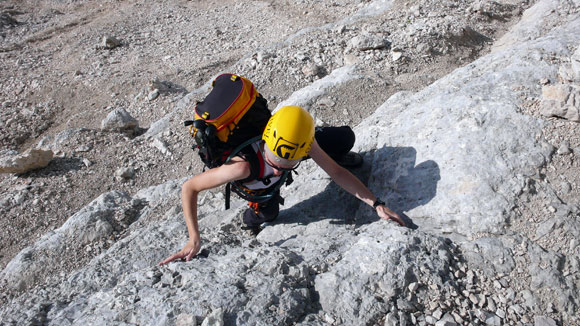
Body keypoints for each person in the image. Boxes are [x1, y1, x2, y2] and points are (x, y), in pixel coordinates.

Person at [160, 105, 405, 265]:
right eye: (275, 163)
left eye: (287, 165)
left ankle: (332, 149)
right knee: (269, 213)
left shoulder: (298, 144)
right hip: (260, 190)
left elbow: (337, 172)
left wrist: (377, 204)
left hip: (293, 147)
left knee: (345, 138)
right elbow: (189, 188)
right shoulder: (241, 168)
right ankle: (251, 220)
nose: (278, 171)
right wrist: (194, 238)